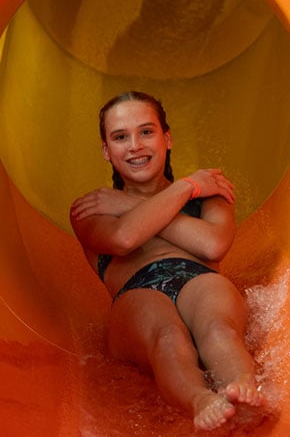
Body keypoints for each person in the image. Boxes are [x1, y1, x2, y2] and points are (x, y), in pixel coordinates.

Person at [69, 91, 263, 431]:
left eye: (146, 132)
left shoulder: (210, 192)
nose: (135, 146)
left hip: (199, 279)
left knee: (218, 329)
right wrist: (187, 187)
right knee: (167, 337)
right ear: (106, 151)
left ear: (167, 138)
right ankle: (202, 401)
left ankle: (243, 390)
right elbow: (123, 239)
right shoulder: (93, 207)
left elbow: (213, 244)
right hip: (137, 291)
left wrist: (140, 201)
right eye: (120, 137)